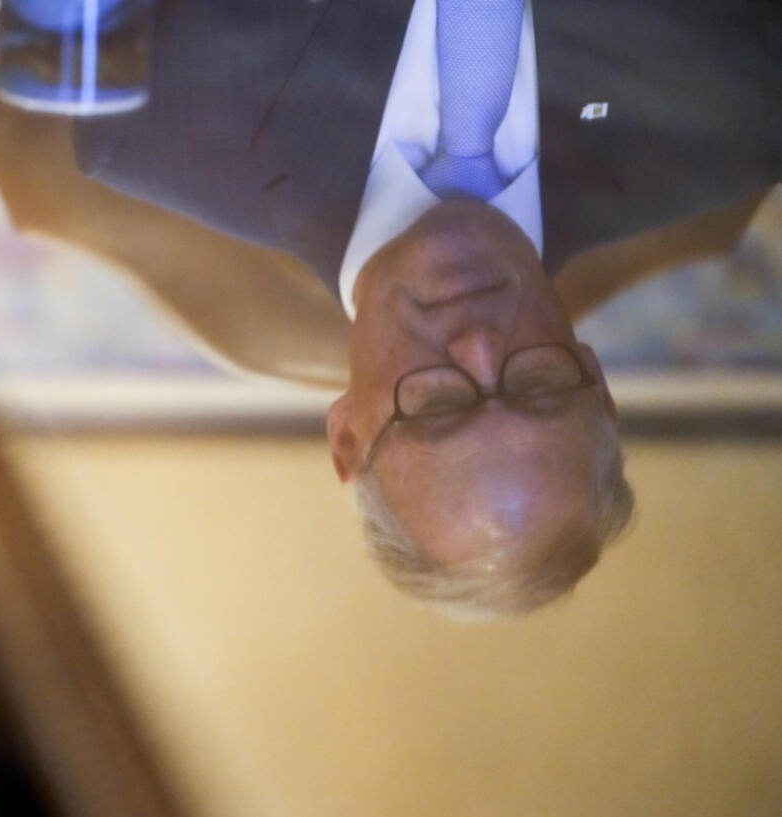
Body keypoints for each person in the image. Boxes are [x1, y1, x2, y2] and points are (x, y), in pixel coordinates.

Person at [64, 0, 779, 615]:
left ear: (346, 434)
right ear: (594, 381)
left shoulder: (148, 120)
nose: (476, 345)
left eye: (437, 407)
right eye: (535, 385)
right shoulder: (744, 114)